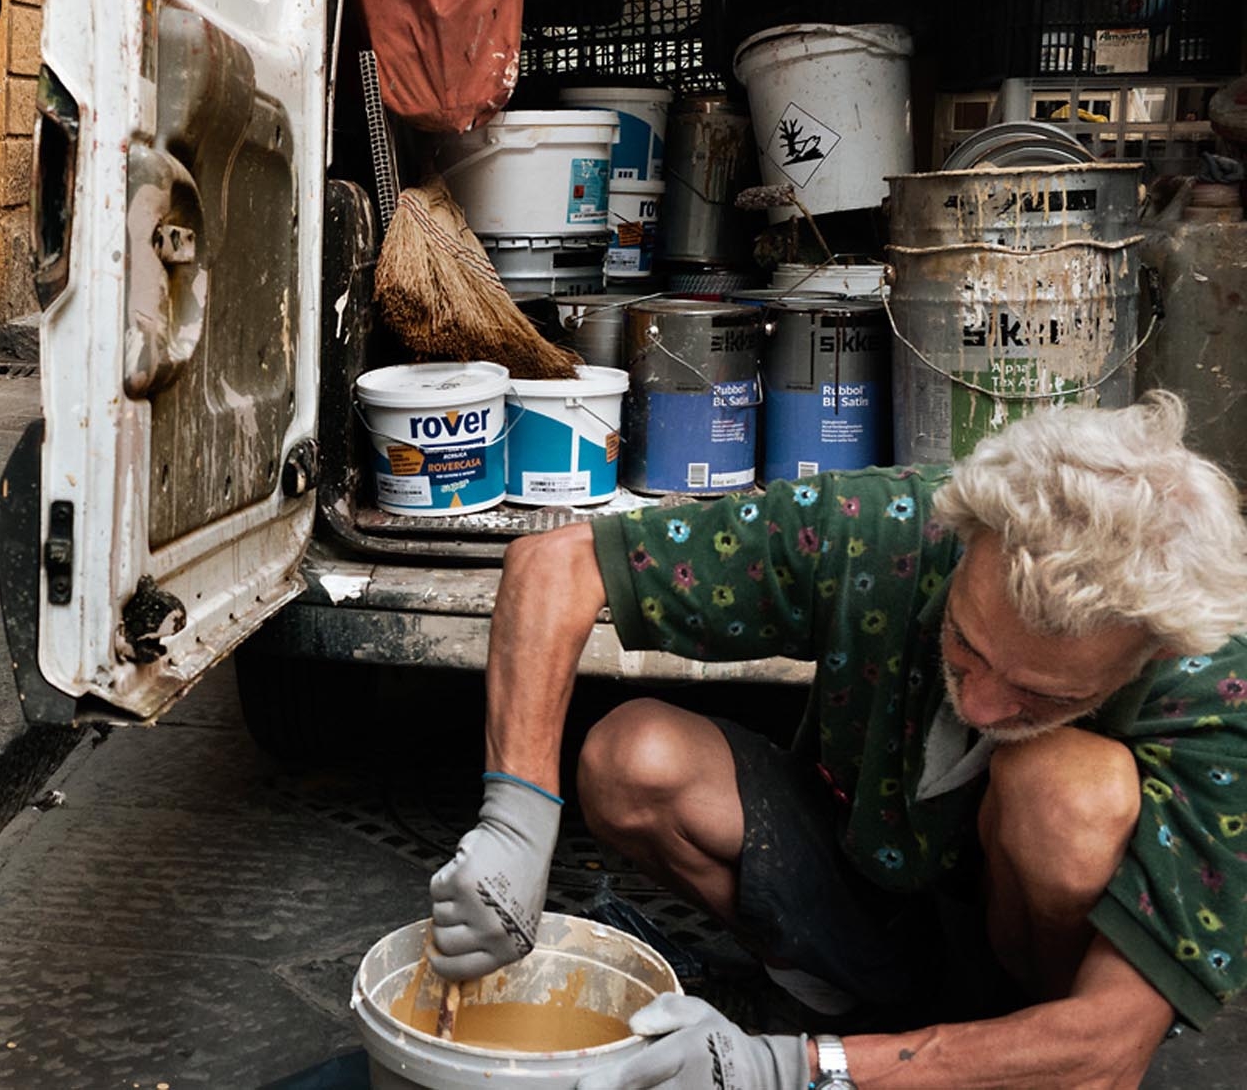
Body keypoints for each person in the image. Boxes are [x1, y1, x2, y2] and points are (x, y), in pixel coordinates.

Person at [430, 393, 1247, 1088]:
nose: (988, 704)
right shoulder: (893, 524)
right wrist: (517, 817)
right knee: (631, 757)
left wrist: (793, 1071)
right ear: (962, 540)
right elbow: (558, 565)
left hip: (1034, 985)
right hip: (866, 893)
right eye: (966, 642)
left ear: (1156, 650)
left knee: (1069, 793)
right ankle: (828, 1003)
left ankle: (971, 1057)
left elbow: (1109, 1046)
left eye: (1045, 692)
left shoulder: (1219, 687)